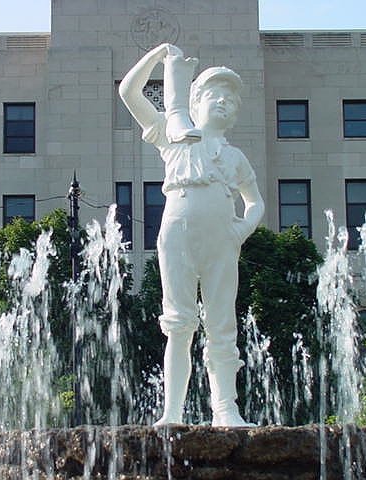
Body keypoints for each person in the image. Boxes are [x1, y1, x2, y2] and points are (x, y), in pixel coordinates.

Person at [119, 43, 265, 427]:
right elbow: (129, 93)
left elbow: (255, 202)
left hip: (222, 239)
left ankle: (225, 409)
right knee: (179, 324)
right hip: (177, 233)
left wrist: (244, 228)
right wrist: (157, 56)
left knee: (222, 324)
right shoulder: (173, 133)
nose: (224, 103)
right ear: (194, 100)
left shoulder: (236, 158)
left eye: (231, 100)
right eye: (216, 95)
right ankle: (172, 412)